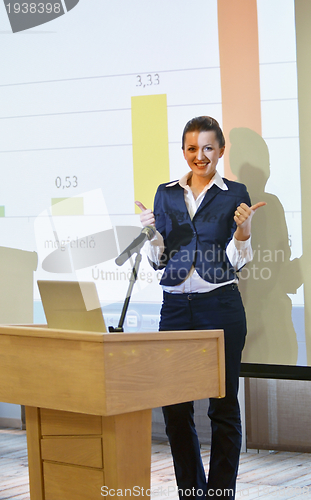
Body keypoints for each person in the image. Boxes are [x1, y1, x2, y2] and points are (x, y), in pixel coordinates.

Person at [135, 116, 265, 500]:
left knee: (223, 408)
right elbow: (159, 261)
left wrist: (244, 233)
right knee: (175, 409)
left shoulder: (235, 192)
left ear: (221, 150)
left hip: (220, 305)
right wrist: (152, 235)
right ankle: (192, 493)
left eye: (208, 147)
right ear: (184, 151)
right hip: (175, 307)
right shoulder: (166, 193)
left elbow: (239, 263)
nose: (200, 156)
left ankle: (220, 494)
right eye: (192, 148)